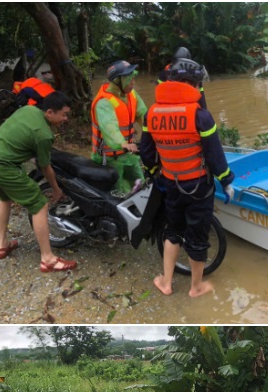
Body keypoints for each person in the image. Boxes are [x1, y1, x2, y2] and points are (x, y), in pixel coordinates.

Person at [140, 58, 234, 299]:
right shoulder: (200, 116)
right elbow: (215, 155)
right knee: (197, 236)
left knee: (173, 231)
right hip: (198, 186)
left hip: (170, 183)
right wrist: (226, 180)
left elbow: (148, 154)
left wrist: (153, 172)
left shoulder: (151, 113)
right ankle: (196, 287)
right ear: (190, 84)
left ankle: (167, 282)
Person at [0, 91, 75, 273]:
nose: (66, 118)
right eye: (64, 114)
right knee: (39, 204)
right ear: (50, 112)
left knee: (4, 198)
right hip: (2, 167)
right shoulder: (44, 134)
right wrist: (56, 189)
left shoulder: (29, 109)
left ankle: (2, 245)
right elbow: (45, 167)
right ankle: (48, 259)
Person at [91, 60, 147, 198]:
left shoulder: (131, 95)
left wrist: (156, 132)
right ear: (117, 81)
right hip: (109, 158)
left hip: (128, 154)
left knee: (142, 185)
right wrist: (123, 143)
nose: (133, 82)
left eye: (133, 78)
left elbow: (144, 115)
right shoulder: (104, 102)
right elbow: (110, 128)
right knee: (119, 195)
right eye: (130, 79)